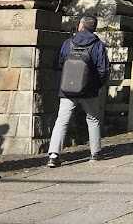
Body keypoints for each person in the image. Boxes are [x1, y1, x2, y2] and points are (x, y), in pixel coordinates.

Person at [46, 15, 110, 167]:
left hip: (68, 89)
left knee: (62, 121)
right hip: (89, 90)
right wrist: (96, 85)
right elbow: (103, 70)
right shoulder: (98, 45)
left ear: (81, 26)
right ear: (94, 27)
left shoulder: (68, 43)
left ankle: (54, 154)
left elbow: (60, 63)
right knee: (93, 119)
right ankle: (95, 153)